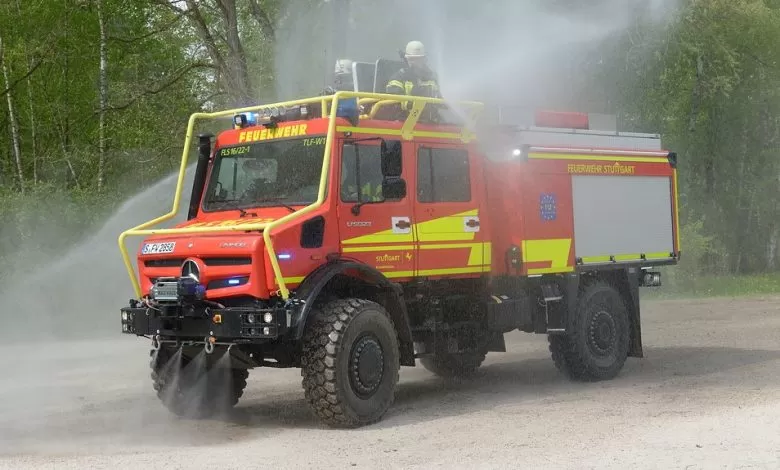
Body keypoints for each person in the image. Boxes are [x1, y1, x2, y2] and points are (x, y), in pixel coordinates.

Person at [385, 40, 442, 122]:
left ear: (424, 59)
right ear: (406, 59)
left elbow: (439, 97)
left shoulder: (432, 77)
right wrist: (413, 104)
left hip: (430, 122)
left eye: (418, 59)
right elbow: (393, 100)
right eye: (412, 59)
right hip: (404, 121)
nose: (415, 62)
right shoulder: (399, 77)